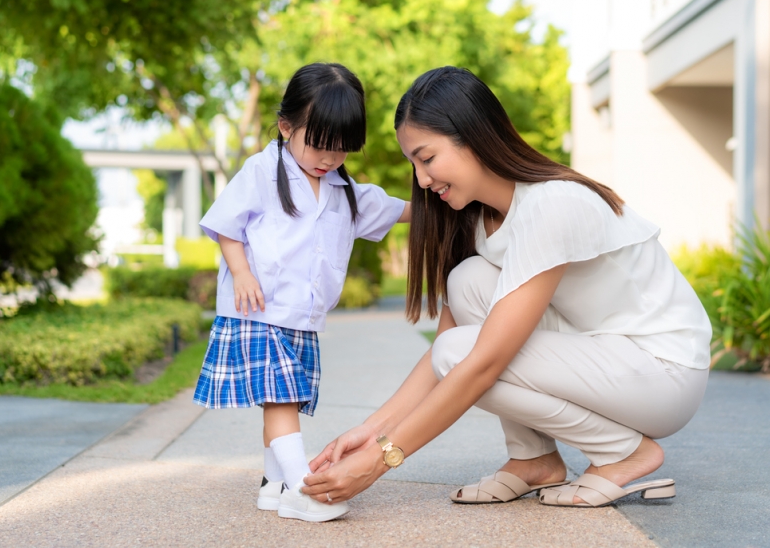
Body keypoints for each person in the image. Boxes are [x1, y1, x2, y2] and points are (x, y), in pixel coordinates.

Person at [302, 66, 712, 509]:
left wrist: (381, 460)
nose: (421, 180)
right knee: (468, 283)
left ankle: (623, 453)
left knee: (462, 353)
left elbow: (479, 362)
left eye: (427, 157)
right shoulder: (480, 219)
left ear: (473, 136)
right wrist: (371, 432)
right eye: (414, 164)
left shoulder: (553, 204)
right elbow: (443, 348)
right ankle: (533, 458)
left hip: (662, 372)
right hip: (605, 356)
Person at [192, 63, 410, 522]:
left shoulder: (342, 188)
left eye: (342, 150)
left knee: (282, 398)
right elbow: (226, 226)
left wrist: (456, 199)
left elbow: (396, 210)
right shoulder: (261, 171)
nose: (328, 159)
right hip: (258, 310)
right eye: (318, 145)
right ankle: (300, 489)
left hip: (301, 317)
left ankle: (273, 485)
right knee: (282, 399)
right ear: (286, 126)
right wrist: (242, 273)